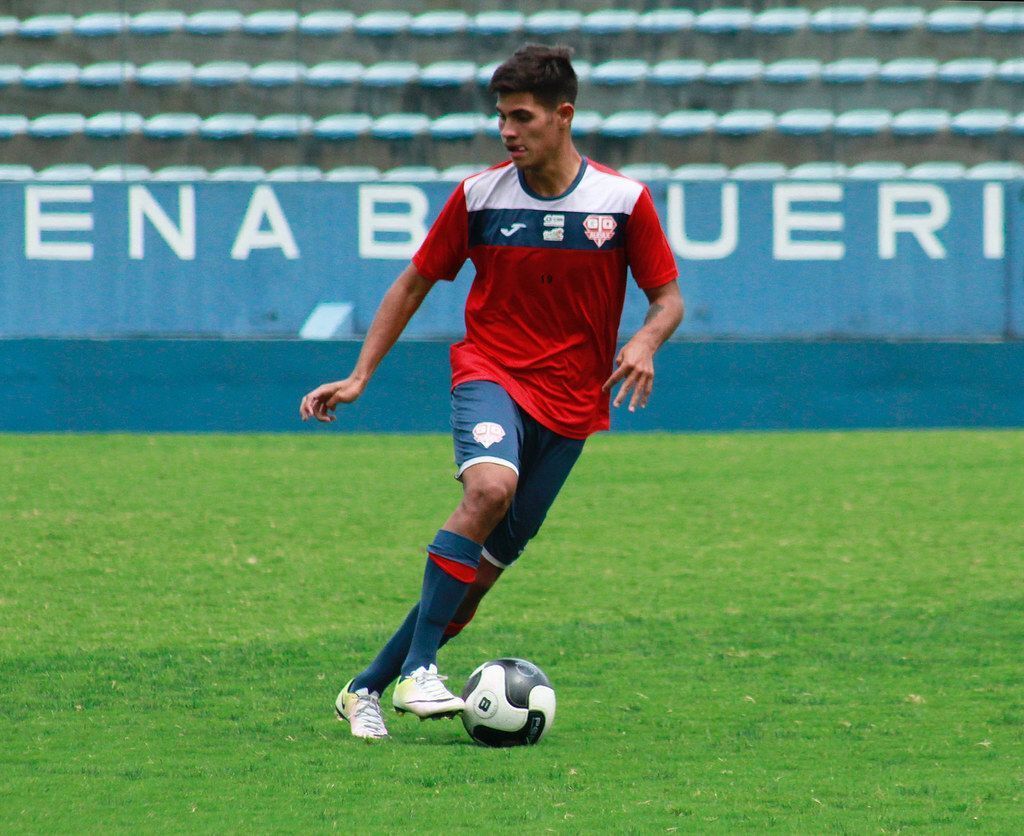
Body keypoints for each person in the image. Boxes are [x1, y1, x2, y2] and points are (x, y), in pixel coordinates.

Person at [300, 44, 684, 740]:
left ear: (563, 116)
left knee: (481, 573)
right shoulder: (479, 196)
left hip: (572, 404)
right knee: (487, 492)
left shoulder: (621, 202)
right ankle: (421, 670)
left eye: (521, 117)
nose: (507, 131)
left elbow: (668, 299)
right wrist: (360, 375)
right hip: (493, 373)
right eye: (501, 117)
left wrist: (645, 342)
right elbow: (413, 282)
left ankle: (364, 689)